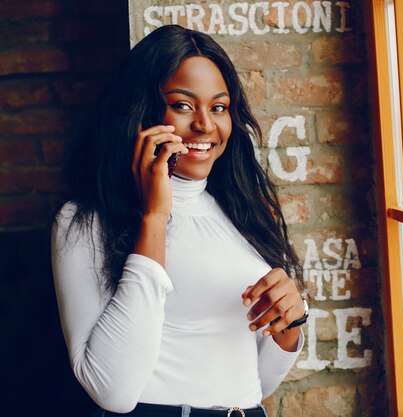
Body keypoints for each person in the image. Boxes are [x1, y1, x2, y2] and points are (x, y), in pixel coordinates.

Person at [51, 24, 308, 417]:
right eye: (183, 105)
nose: (205, 125)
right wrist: (155, 215)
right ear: (142, 111)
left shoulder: (242, 211)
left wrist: (287, 325)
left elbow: (258, 381)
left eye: (219, 107)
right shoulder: (85, 221)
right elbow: (111, 391)